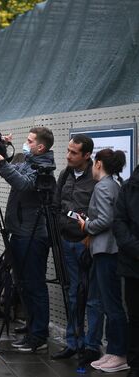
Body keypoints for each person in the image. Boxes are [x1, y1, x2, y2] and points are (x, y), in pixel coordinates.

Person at [0, 127, 55, 352]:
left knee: (35, 285)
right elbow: (13, 169)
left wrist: (1, 163)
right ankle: (31, 326)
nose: (26, 143)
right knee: (23, 284)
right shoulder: (28, 160)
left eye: (30, 140)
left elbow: (23, 183)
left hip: (33, 235)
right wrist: (2, 149)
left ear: (40, 146)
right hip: (20, 232)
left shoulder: (43, 167)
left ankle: (39, 336)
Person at [77, 149, 129, 373]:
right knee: (110, 302)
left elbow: (106, 219)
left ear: (98, 164)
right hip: (109, 250)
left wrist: (86, 226)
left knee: (112, 304)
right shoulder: (115, 184)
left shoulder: (103, 186)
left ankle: (119, 353)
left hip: (106, 251)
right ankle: (114, 351)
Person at [51, 135, 103, 362]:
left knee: (91, 297)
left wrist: (88, 238)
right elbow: (56, 205)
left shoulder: (95, 179)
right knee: (73, 294)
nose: (68, 156)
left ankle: (91, 346)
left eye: (74, 152)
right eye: (68, 151)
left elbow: (101, 214)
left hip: (85, 244)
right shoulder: (65, 174)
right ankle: (73, 342)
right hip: (66, 242)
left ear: (87, 155)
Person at [113, 163, 139, 377]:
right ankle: (135, 363)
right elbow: (119, 224)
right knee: (136, 317)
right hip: (134, 265)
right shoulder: (129, 188)